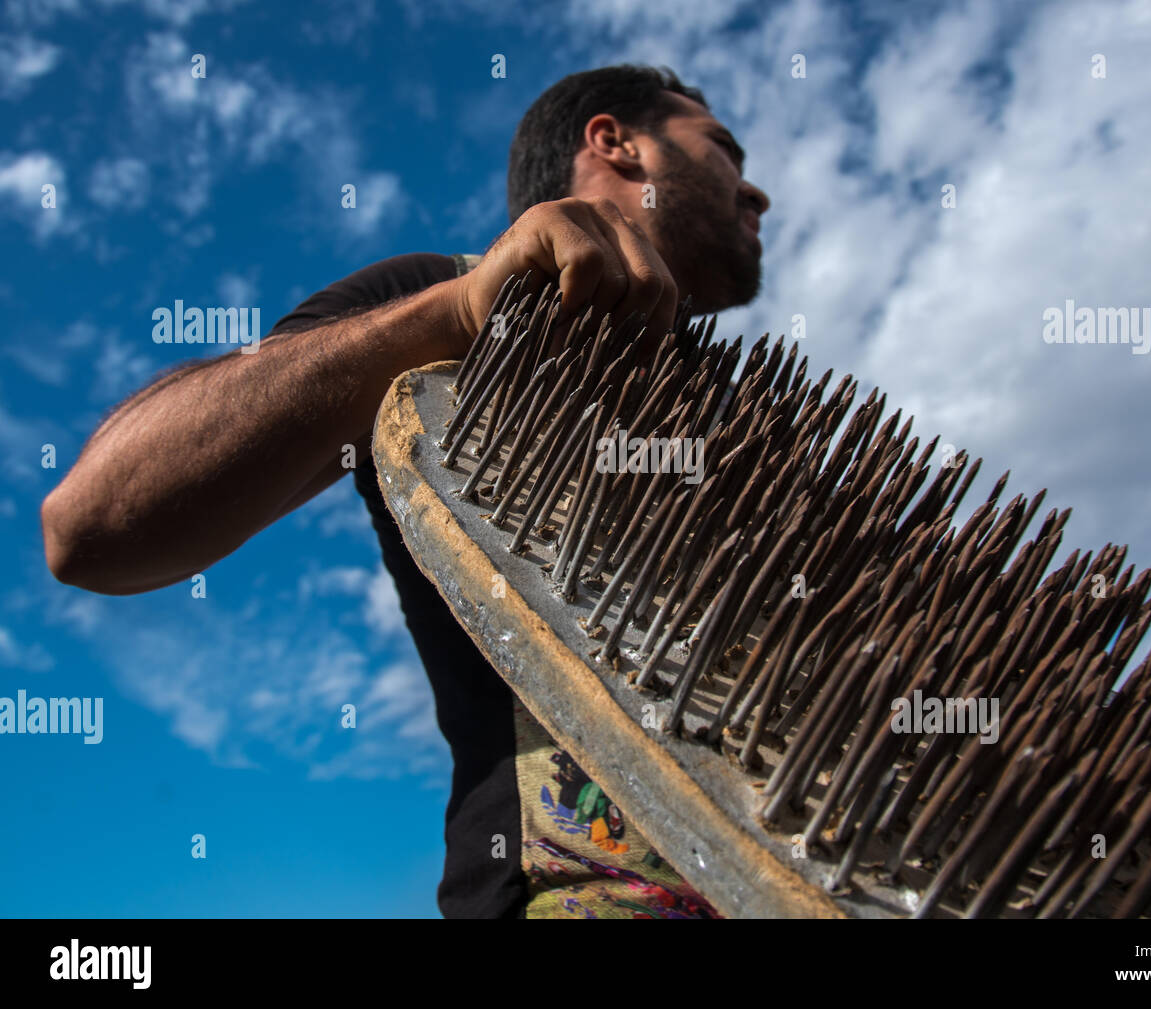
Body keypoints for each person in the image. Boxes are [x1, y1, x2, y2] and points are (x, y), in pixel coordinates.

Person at [40, 63, 771, 919]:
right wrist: (454, 315)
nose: (754, 192)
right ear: (617, 144)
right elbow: (88, 528)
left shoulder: (755, 419)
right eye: (723, 148)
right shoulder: (441, 294)